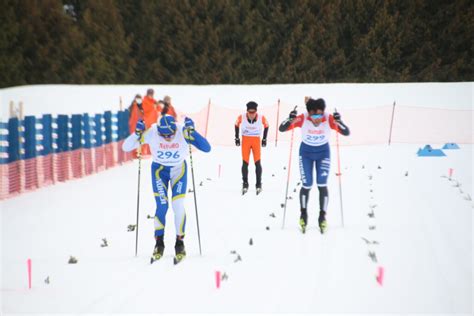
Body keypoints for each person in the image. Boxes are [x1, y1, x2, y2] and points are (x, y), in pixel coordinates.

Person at [122, 115, 211, 262]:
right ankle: (159, 243)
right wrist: (137, 133)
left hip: (178, 171)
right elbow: (126, 146)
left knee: (178, 205)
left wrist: (192, 132)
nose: (168, 138)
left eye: (170, 134)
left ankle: (180, 242)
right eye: (164, 135)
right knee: (162, 206)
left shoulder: (182, 130)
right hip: (159, 171)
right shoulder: (152, 132)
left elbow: (207, 148)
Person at [279, 98, 350, 234]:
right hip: (306, 153)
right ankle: (303, 214)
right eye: (314, 116)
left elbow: (346, 132)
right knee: (307, 184)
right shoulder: (303, 118)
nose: (317, 119)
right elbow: (282, 128)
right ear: (308, 114)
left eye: (319, 116)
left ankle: (322, 217)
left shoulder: (328, 118)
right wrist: (290, 119)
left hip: (323, 153)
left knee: (321, 184)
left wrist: (339, 122)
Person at [234, 101, 269, 195]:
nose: (252, 115)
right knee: (245, 163)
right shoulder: (242, 116)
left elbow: (267, 125)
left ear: (256, 112)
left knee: (257, 163)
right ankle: (245, 183)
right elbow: (236, 124)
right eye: (250, 112)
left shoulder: (261, 117)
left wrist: (264, 139)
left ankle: (258, 184)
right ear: (247, 111)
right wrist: (237, 137)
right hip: (245, 140)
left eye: (253, 112)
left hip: (256, 140)